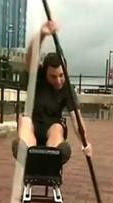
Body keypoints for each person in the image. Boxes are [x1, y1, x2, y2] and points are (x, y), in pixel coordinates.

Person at [12, 21, 93, 163]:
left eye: (61, 75)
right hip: (33, 123)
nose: (58, 81)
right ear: (45, 73)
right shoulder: (38, 77)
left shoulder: (68, 88)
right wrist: (42, 34)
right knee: (24, 120)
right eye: (53, 77)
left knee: (57, 128)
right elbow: (30, 57)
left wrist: (85, 143)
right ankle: (27, 152)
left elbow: (77, 120)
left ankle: (55, 154)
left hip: (52, 126)